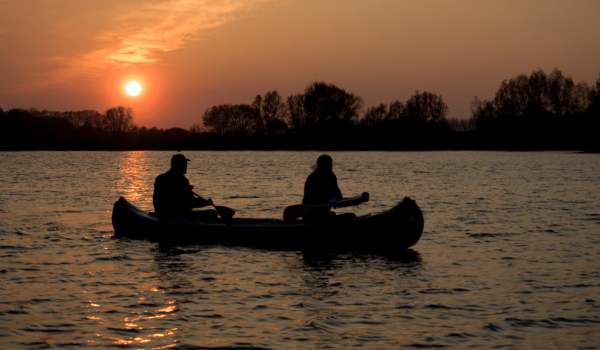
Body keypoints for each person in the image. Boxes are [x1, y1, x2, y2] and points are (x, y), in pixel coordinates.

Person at [152, 154, 218, 220]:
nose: (185, 166)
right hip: (168, 214)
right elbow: (167, 202)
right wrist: (184, 193)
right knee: (212, 214)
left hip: (183, 213)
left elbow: (191, 202)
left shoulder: (184, 180)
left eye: (186, 163)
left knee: (213, 213)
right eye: (182, 163)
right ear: (174, 164)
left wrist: (205, 202)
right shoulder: (163, 179)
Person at [302, 154, 355, 222]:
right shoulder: (313, 179)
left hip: (325, 215)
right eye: (325, 165)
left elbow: (339, 200)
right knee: (332, 215)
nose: (328, 168)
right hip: (311, 216)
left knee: (352, 215)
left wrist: (356, 200)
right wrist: (331, 201)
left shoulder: (332, 178)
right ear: (319, 166)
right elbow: (315, 199)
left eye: (330, 165)